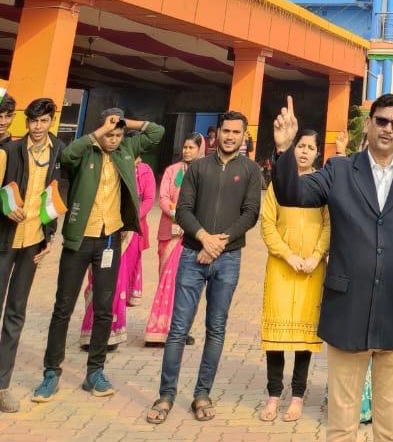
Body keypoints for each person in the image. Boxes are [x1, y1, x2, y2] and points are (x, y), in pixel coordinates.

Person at [272, 93, 393, 442]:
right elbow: (292, 195)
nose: (388, 129)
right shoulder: (340, 170)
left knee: (391, 428)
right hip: (347, 312)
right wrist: (285, 149)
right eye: (382, 121)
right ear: (369, 124)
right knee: (341, 426)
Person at [32, 109, 164, 403]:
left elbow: (157, 132)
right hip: (79, 240)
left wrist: (125, 123)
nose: (114, 140)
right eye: (109, 135)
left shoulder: (127, 148)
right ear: (100, 131)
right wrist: (100, 131)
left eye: (118, 135)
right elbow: (66, 157)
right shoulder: (86, 151)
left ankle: (95, 372)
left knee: (104, 309)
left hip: (109, 240)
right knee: (63, 307)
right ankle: (51, 372)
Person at [147, 110, 262, 425]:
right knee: (178, 329)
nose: (230, 137)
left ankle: (202, 394)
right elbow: (183, 209)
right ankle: (165, 395)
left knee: (216, 328)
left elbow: (250, 213)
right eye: (226, 131)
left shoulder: (251, 170)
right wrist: (203, 238)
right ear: (216, 133)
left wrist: (218, 243)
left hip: (228, 258)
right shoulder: (198, 167)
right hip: (191, 255)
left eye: (236, 132)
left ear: (244, 136)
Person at [259, 128, 330, 423]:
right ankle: (274, 395)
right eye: (300, 146)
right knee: (275, 338)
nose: (304, 152)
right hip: (281, 267)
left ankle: (298, 396)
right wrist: (287, 255)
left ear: (317, 153)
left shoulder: (323, 184)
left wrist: (315, 256)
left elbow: (329, 225)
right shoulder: (278, 183)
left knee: (304, 337)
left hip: (312, 270)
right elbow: (267, 223)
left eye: (310, 148)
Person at [0, 97, 63, 413]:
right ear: (26, 122)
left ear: (51, 121)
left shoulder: (59, 151)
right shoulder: (9, 150)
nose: (38, 127)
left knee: (15, 314)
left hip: (33, 243)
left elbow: (56, 193)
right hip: (4, 240)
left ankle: (2, 386)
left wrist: (49, 236)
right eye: (33, 121)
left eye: (43, 121)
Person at [79, 153, 156, 347]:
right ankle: (90, 332)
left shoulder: (144, 171)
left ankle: (112, 332)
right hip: (103, 229)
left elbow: (148, 199)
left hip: (130, 233)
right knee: (98, 280)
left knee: (119, 281)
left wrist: (130, 218)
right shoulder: (110, 166)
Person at [144, 134, 204, 345]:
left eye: (191, 148)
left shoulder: (204, 172)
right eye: (185, 147)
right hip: (169, 232)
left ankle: (180, 329)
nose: (187, 151)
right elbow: (163, 198)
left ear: (200, 150)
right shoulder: (172, 171)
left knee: (186, 283)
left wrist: (190, 222)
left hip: (191, 236)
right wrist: (179, 215)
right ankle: (158, 329)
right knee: (166, 281)